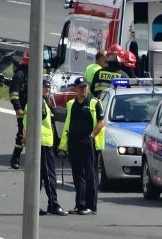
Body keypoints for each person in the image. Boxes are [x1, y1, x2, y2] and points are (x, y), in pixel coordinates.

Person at [59, 77, 105, 215]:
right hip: (74, 141)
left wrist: (91, 136)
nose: (83, 89)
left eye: (85, 86)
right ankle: (80, 204)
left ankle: (91, 206)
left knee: (90, 174)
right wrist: (65, 144)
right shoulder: (71, 104)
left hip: (88, 141)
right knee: (77, 174)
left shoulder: (94, 102)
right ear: (75, 89)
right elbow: (68, 123)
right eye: (80, 87)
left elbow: (101, 122)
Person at [22, 77, 68, 216]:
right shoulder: (38, 102)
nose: (47, 89)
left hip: (43, 143)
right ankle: (53, 205)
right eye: (44, 87)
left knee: (39, 177)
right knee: (49, 177)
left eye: (48, 87)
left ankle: (34, 205)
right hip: (41, 143)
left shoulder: (41, 102)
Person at [9, 49, 29, 169]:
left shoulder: (35, 73)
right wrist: (18, 108)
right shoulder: (20, 74)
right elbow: (13, 92)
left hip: (34, 108)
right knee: (22, 132)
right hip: (23, 108)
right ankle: (15, 157)